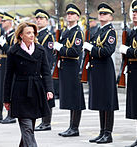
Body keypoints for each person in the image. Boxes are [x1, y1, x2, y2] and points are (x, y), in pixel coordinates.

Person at [3, 22, 53, 147]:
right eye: (28, 33)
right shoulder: (13, 51)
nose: (32, 35)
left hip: (36, 91)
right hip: (20, 92)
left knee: (29, 128)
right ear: (20, 35)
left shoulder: (40, 50)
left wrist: (49, 90)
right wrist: (6, 99)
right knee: (27, 128)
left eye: (33, 33)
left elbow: (46, 72)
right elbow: (8, 76)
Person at [82, 2, 118, 144]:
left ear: (111, 17)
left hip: (105, 69)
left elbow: (107, 51)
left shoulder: (110, 32)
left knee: (107, 101)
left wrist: (92, 48)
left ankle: (108, 134)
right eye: (100, 13)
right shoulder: (98, 31)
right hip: (97, 69)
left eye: (105, 14)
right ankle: (102, 131)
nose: (102, 15)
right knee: (101, 101)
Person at [53, 4, 85, 137]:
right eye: (68, 14)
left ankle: (75, 127)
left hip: (73, 66)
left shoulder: (77, 32)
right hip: (65, 67)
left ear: (77, 17)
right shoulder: (66, 31)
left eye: (72, 14)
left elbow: (74, 51)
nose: (69, 16)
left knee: (75, 98)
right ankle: (71, 126)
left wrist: (60, 48)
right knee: (70, 98)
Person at [119, 0, 137, 147]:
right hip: (134, 72)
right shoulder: (133, 31)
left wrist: (127, 51)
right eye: (133, 12)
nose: (134, 14)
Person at [34, 9, 55, 131]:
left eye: (41, 18)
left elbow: (47, 55)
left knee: (47, 95)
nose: (38, 20)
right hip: (37, 69)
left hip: (43, 68)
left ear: (47, 21)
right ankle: (43, 120)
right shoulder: (37, 34)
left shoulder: (48, 35)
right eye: (37, 18)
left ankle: (47, 122)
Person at [0, 12, 16, 124]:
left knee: (10, 88)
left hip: (9, 63)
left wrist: (4, 45)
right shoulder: (5, 34)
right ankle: (4, 113)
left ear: (10, 22)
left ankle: (11, 114)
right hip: (2, 62)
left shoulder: (13, 35)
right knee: (3, 88)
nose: (2, 22)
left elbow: (12, 51)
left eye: (4, 21)